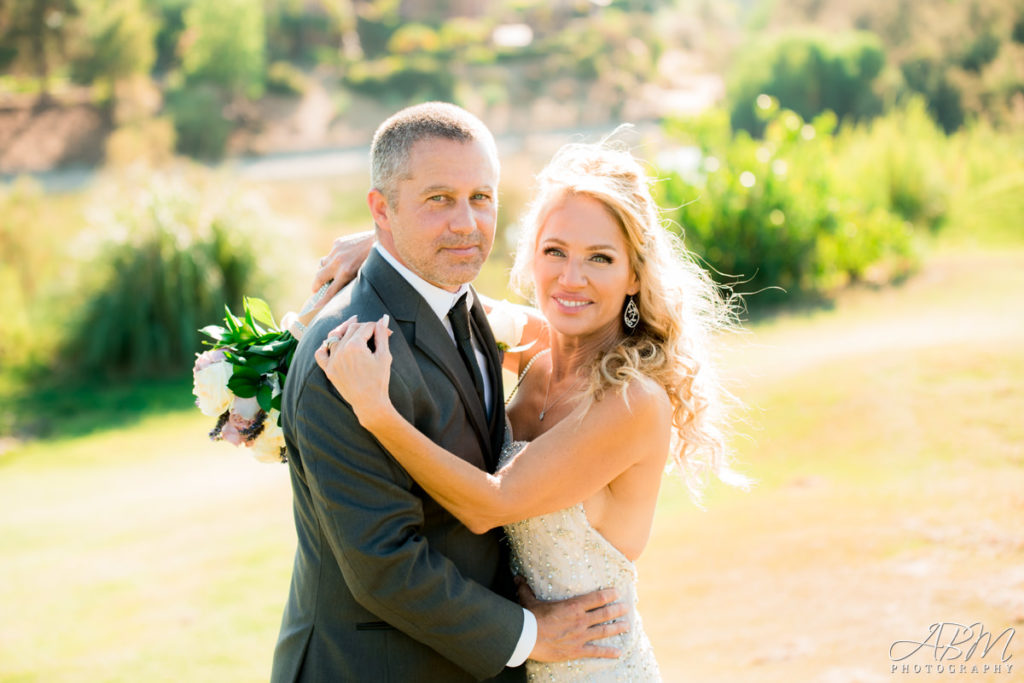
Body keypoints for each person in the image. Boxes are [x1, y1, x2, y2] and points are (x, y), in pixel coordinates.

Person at [316, 138, 742, 681]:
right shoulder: (542, 351)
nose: (571, 278)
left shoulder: (632, 401)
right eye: (555, 251)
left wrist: (378, 413)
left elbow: (490, 504)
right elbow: (465, 302)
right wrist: (385, 246)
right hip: (528, 663)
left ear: (634, 275)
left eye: (601, 258)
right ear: (531, 254)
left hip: (597, 668)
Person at [271, 103, 629, 683]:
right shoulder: (349, 357)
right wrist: (532, 635)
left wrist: (395, 241)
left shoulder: (456, 300)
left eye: (480, 198)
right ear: (380, 209)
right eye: (438, 199)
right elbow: (384, 563)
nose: (466, 224)